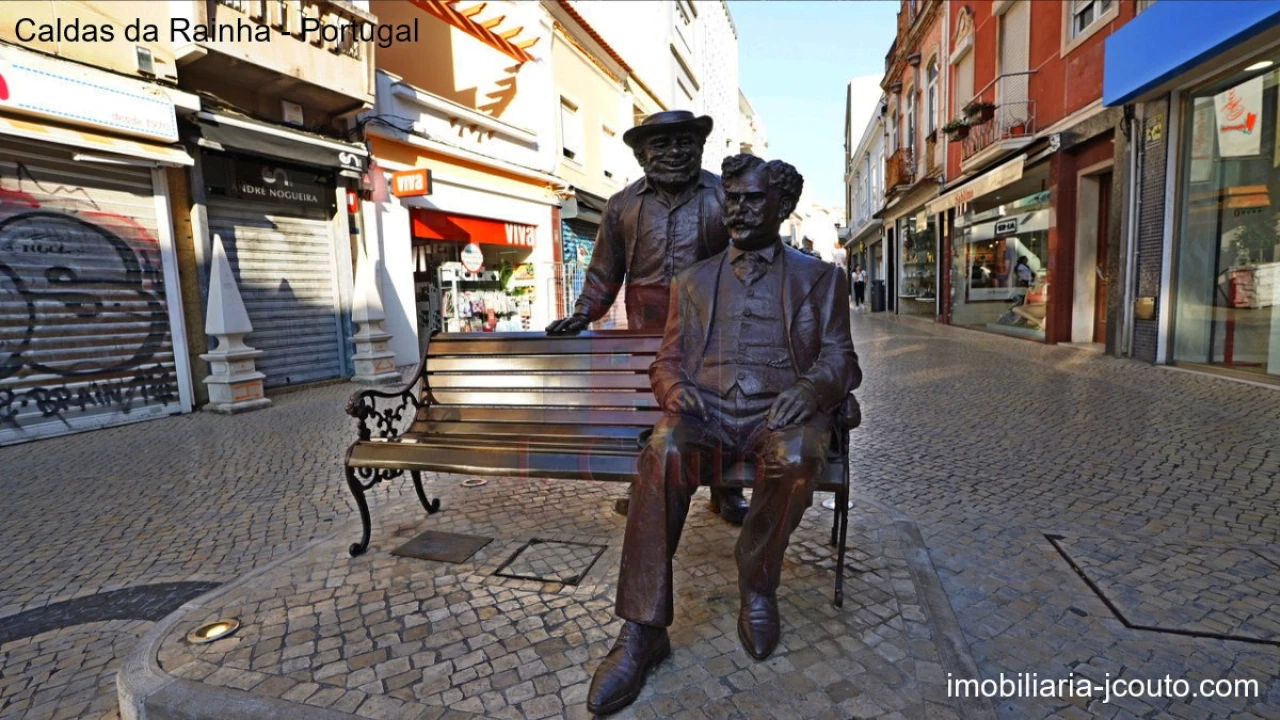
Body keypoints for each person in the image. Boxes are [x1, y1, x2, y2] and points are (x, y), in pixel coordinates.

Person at [586, 154, 861, 715]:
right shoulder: (693, 280)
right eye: (732, 198)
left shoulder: (820, 278)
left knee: (797, 455)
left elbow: (841, 359)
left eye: (752, 199)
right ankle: (642, 628)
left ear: (783, 206)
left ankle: (757, 582)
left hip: (778, 413)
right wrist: (672, 388)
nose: (738, 209)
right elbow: (667, 360)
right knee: (662, 449)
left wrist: (810, 390)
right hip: (706, 411)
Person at [544, 110, 747, 523]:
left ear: (700, 146)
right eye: (661, 144)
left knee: (718, 401)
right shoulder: (621, 205)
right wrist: (583, 312)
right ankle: (647, 481)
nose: (674, 152)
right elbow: (604, 270)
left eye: (684, 142)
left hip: (714, 317)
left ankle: (726, 487)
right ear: (641, 155)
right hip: (647, 320)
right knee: (651, 404)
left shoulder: (724, 195)